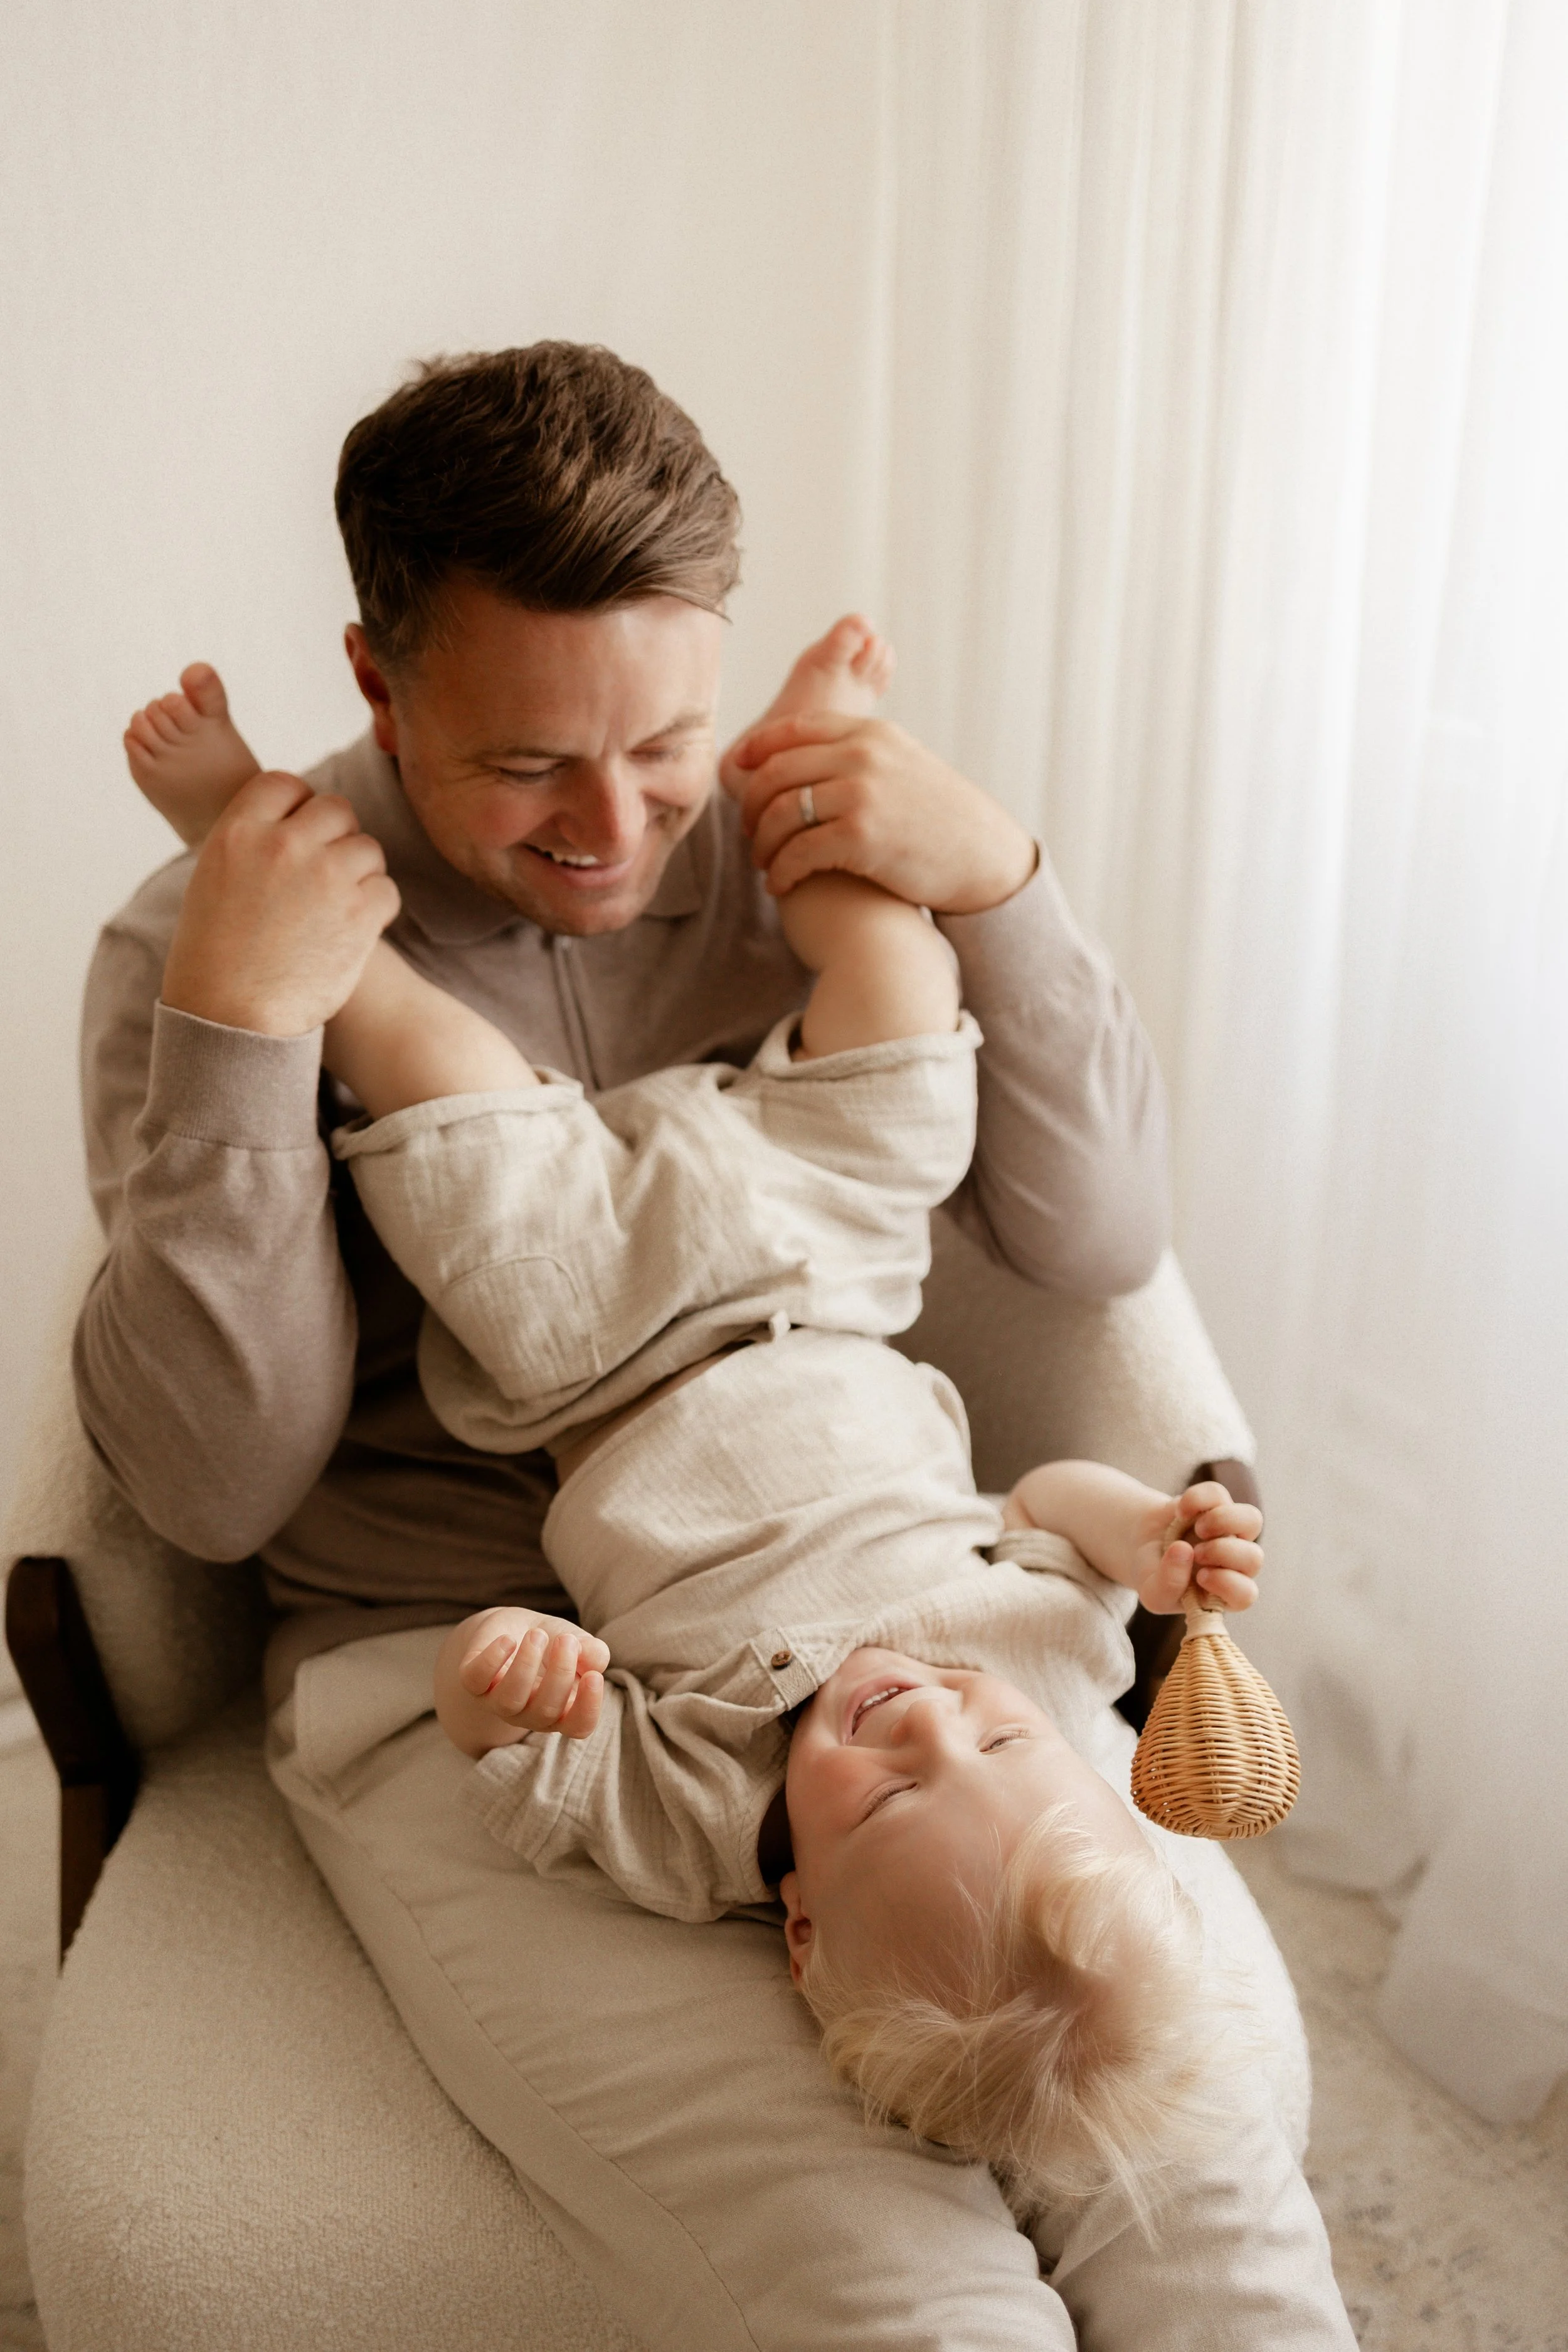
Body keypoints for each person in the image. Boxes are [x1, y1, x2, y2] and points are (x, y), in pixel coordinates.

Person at [85, 342, 1354, 2348]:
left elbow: (1092, 1236)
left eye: (668, 739)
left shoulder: (788, 843)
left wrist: (1000, 882)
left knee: (1179, 2131)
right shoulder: (216, 933)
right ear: (376, 677)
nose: (615, 831)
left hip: (872, 1564)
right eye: (526, 766)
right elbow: (216, 1481)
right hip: (471, 1674)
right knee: (869, 2265)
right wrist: (248, 1030)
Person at [127, 663, 1271, 2213]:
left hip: (589, 1337)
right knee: (895, 1000)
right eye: (989, 1743)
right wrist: (1140, 1533)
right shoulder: (1055, 1674)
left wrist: (504, 1684)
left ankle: (238, 825)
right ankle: (806, 754)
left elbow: (520, 1754)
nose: (917, 1714)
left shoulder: (699, 1823)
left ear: (799, 1927)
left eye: (886, 1794)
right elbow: (1045, 1508)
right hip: (834, 1263)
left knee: (424, 1057)